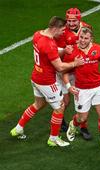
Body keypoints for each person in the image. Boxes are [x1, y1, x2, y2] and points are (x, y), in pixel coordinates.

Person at [10, 16, 84, 147]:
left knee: (38, 103)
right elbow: (60, 66)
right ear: (55, 28)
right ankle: (53, 139)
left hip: (36, 77)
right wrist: (75, 63)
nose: (63, 32)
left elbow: (49, 52)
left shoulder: (37, 34)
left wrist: (64, 50)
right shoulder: (49, 44)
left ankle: (18, 128)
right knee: (60, 107)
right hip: (47, 81)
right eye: (62, 30)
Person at [63, 27, 100, 149]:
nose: (82, 40)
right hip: (82, 90)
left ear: (91, 39)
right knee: (82, 117)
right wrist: (68, 86)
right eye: (81, 37)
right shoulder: (72, 52)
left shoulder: (99, 49)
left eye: (85, 38)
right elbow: (65, 71)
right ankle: (73, 124)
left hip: (98, 87)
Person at [55, 8, 93, 140]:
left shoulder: (87, 28)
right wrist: (66, 50)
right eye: (69, 20)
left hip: (79, 70)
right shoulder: (62, 32)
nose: (70, 23)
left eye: (73, 20)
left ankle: (83, 127)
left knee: (82, 98)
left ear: (79, 19)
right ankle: (59, 121)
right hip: (65, 69)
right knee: (65, 101)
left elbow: (90, 45)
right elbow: (57, 53)